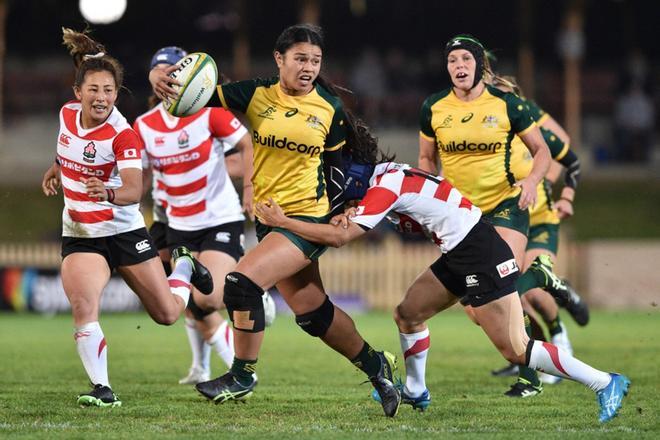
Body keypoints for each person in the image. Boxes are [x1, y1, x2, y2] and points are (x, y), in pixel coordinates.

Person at [254, 137, 631, 423]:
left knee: (516, 348)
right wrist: (351, 211)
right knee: (408, 313)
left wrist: (283, 222)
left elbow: (340, 238)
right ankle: (416, 390)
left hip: (479, 252)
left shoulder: (382, 189)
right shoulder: (386, 176)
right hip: (461, 247)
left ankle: (604, 381)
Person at [149, 24, 401, 417]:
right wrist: (161, 78)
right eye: (300, 58)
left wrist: (342, 210)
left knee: (240, 283)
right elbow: (198, 92)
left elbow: (336, 169)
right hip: (271, 220)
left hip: (305, 217)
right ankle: (377, 366)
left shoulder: (327, 108)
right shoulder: (256, 94)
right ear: (279, 58)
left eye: (315, 61)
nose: (309, 67)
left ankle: (241, 374)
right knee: (314, 314)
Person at [40, 28, 213, 407]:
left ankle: (183, 266)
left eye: (108, 91)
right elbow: (68, 146)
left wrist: (109, 192)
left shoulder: (124, 135)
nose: (101, 97)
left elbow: (136, 190)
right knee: (83, 306)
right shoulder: (66, 115)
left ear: (116, 96)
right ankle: (103, 389)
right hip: (81, 232)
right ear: (78, 93)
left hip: (123, 230)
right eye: (94, 89)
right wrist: (56, 167)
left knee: (167, 314)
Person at [417, 34, 579, 399]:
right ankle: (540, 279)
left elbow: (548, 152)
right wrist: (431, 199)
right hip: (462, 216)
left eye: (466, 60)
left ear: (480, 67)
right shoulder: (434, 108)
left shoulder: (512, 106)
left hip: (506, 208)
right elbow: (427, 160)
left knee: (501, 291)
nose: (459, 66)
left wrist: (537, 182)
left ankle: (531, 376)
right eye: (452, 60)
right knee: (478, 311)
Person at [135, 46, 271, 385]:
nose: (169, 78)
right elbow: (141, 173)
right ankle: (209, 369)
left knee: (206, 298)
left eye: (175, 71)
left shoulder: (210, 113)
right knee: (185, 302)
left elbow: (247, 145)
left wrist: (250, 190)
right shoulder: (144, 126)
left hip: (219, 219)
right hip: (176, 224)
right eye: (161, 72)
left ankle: (254, 296)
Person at [485, 75, 589, 396]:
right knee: (496, 302)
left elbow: (572, 161)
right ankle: (536, 350)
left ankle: (554, 339)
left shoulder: (535, 136)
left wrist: (567, 197)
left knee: (521, 291)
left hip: (542, 221)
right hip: (512, 223)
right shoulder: (490, 142)